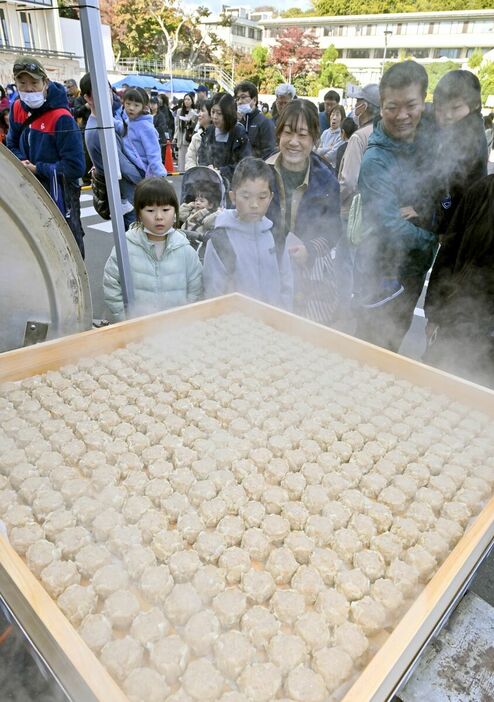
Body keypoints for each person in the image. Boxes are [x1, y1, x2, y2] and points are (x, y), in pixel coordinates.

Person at [353, 61, 437, 353]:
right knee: (372, 348)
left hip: (412, 271)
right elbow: (391, 226)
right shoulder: (376, 162)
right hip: (382, 272)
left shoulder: (429, 136)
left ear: (424, 101)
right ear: (380, 107)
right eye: (392, 107)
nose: (402, 115)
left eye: (411, 105)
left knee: (394, 342)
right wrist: (434, 238)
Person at [266, 99, 341, 325]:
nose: (294, 142)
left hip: (308, 273)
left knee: (303, 334)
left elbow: (334, 230)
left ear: (314, 140)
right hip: (267, 268)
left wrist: (310, 250)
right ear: (279, 135)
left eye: (303, 135)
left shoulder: (326, 179)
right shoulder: (262, 172)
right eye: (288, 133)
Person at [7, 55, 85, 256]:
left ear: (46, 83)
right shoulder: (16, 107)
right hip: (28, 190)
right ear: (15, 83)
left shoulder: (62, 118)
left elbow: (76, 167)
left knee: (68, 247)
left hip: (61, 194)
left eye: (34, 82)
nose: (29, 89)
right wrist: (20, 161)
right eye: (22, 83)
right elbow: (12, 141)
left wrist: (38, 168)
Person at [424, 175, 494, 387]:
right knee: (441, 387)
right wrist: (434, 312)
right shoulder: (483, 190)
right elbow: (449, 251)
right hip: (462, 313)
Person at [103, 177, 203, 321]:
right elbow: (111, 285)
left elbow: (196, 288)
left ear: (175, 211)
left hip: (178, 327)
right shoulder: (125, 246)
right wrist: (125, 319)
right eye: (150, 210)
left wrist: (186, 319)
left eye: (166, 209)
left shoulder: (185, 249)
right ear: (138, 213)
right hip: (137, 327)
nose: (159, 217)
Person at [203, 157, 292, 309]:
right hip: (235, 325)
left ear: (270, 198)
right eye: (246, 196)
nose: (254, 204)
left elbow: (287, 286)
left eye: (262, 197)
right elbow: (214, 294)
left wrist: (283, 320)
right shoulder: (221, 240)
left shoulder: (276, 236)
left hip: (273, 323)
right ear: (233, 197)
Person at [80, 72, 142, 227]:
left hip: (126, 197)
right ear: (88, 98)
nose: (106, 95)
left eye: (107, 89)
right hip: (127, 198)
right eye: (99, 91)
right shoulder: (100, 130)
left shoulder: (106, 120)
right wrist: (147, 180)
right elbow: (123, 168)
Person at [432, 70, 488, 236]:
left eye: (455, 108)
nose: (448, 115)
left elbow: (451, 190)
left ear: (475, 105)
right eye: (441, 109)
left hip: (456, 228)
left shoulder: (466, 135)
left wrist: (425, 215)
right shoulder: (466, 128)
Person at [338, 84, 380, 219]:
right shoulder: (381, 132)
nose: (355, 106)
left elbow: (349, 181)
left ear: (365, 106)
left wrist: (333, 201)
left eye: (358, 102)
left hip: (352, 211)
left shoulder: (359, 137)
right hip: (374, 210)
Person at [197, 92, 252, 183]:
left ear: (228, 114)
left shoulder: (238, 133)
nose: (214, 117)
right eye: (213, 112)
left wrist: (221, 171)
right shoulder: (209, 131)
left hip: (233, 185)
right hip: (210, 184)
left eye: (219, 113)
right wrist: (207, 168)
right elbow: (201, 154)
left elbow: (245, 163)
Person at [120, 87, 166, 178]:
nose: (131, 108)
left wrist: (160, 174)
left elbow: (153, 152)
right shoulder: (129, 122)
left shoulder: (146, 127)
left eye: (136, 105)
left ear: (144, 107)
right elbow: (119, 126)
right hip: (132, 167)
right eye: (128, 104)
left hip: (140, 170)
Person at [234, 80, 276, 159]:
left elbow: (269, 152)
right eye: (237, 98)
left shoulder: (265, 122)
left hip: (257, 168)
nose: (239, 101)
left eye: (243, 97)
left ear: (254, 100)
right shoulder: (237, 122)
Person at [185, 99, 212, 171]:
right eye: (199, 111)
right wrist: (195, 173)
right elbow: (190, 158)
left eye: (203, 111)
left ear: (211, 114)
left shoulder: (218, 135)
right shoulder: (196, 137)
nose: (199, 114)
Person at [174, 92, 197, 172]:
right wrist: (175, 137)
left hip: (189, 137)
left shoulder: (194, 112)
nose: (186, 101)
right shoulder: (179, 111)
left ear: (192, 101)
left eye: (188, 99)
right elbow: (177, 125)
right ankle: (181, 173)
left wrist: (190, 122)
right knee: (181, 159)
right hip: (181, 137)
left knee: (189, 158)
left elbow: (195, 126)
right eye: (185, 99)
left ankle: (189, 173)